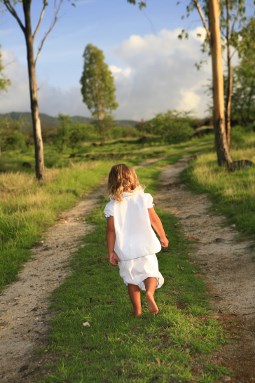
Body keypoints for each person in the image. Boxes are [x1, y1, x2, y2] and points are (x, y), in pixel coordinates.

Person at [104, 163, 169, 317]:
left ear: (112, 183)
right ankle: (150, 294)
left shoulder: (112, 206)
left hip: (125, 250)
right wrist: (162, 236)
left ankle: (137, 311)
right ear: (133, 179)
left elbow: (111, 231)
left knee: (132, 280)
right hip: (146, 246)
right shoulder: (144, 198)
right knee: (150, 273)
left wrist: (111, 252)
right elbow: (154, 219)